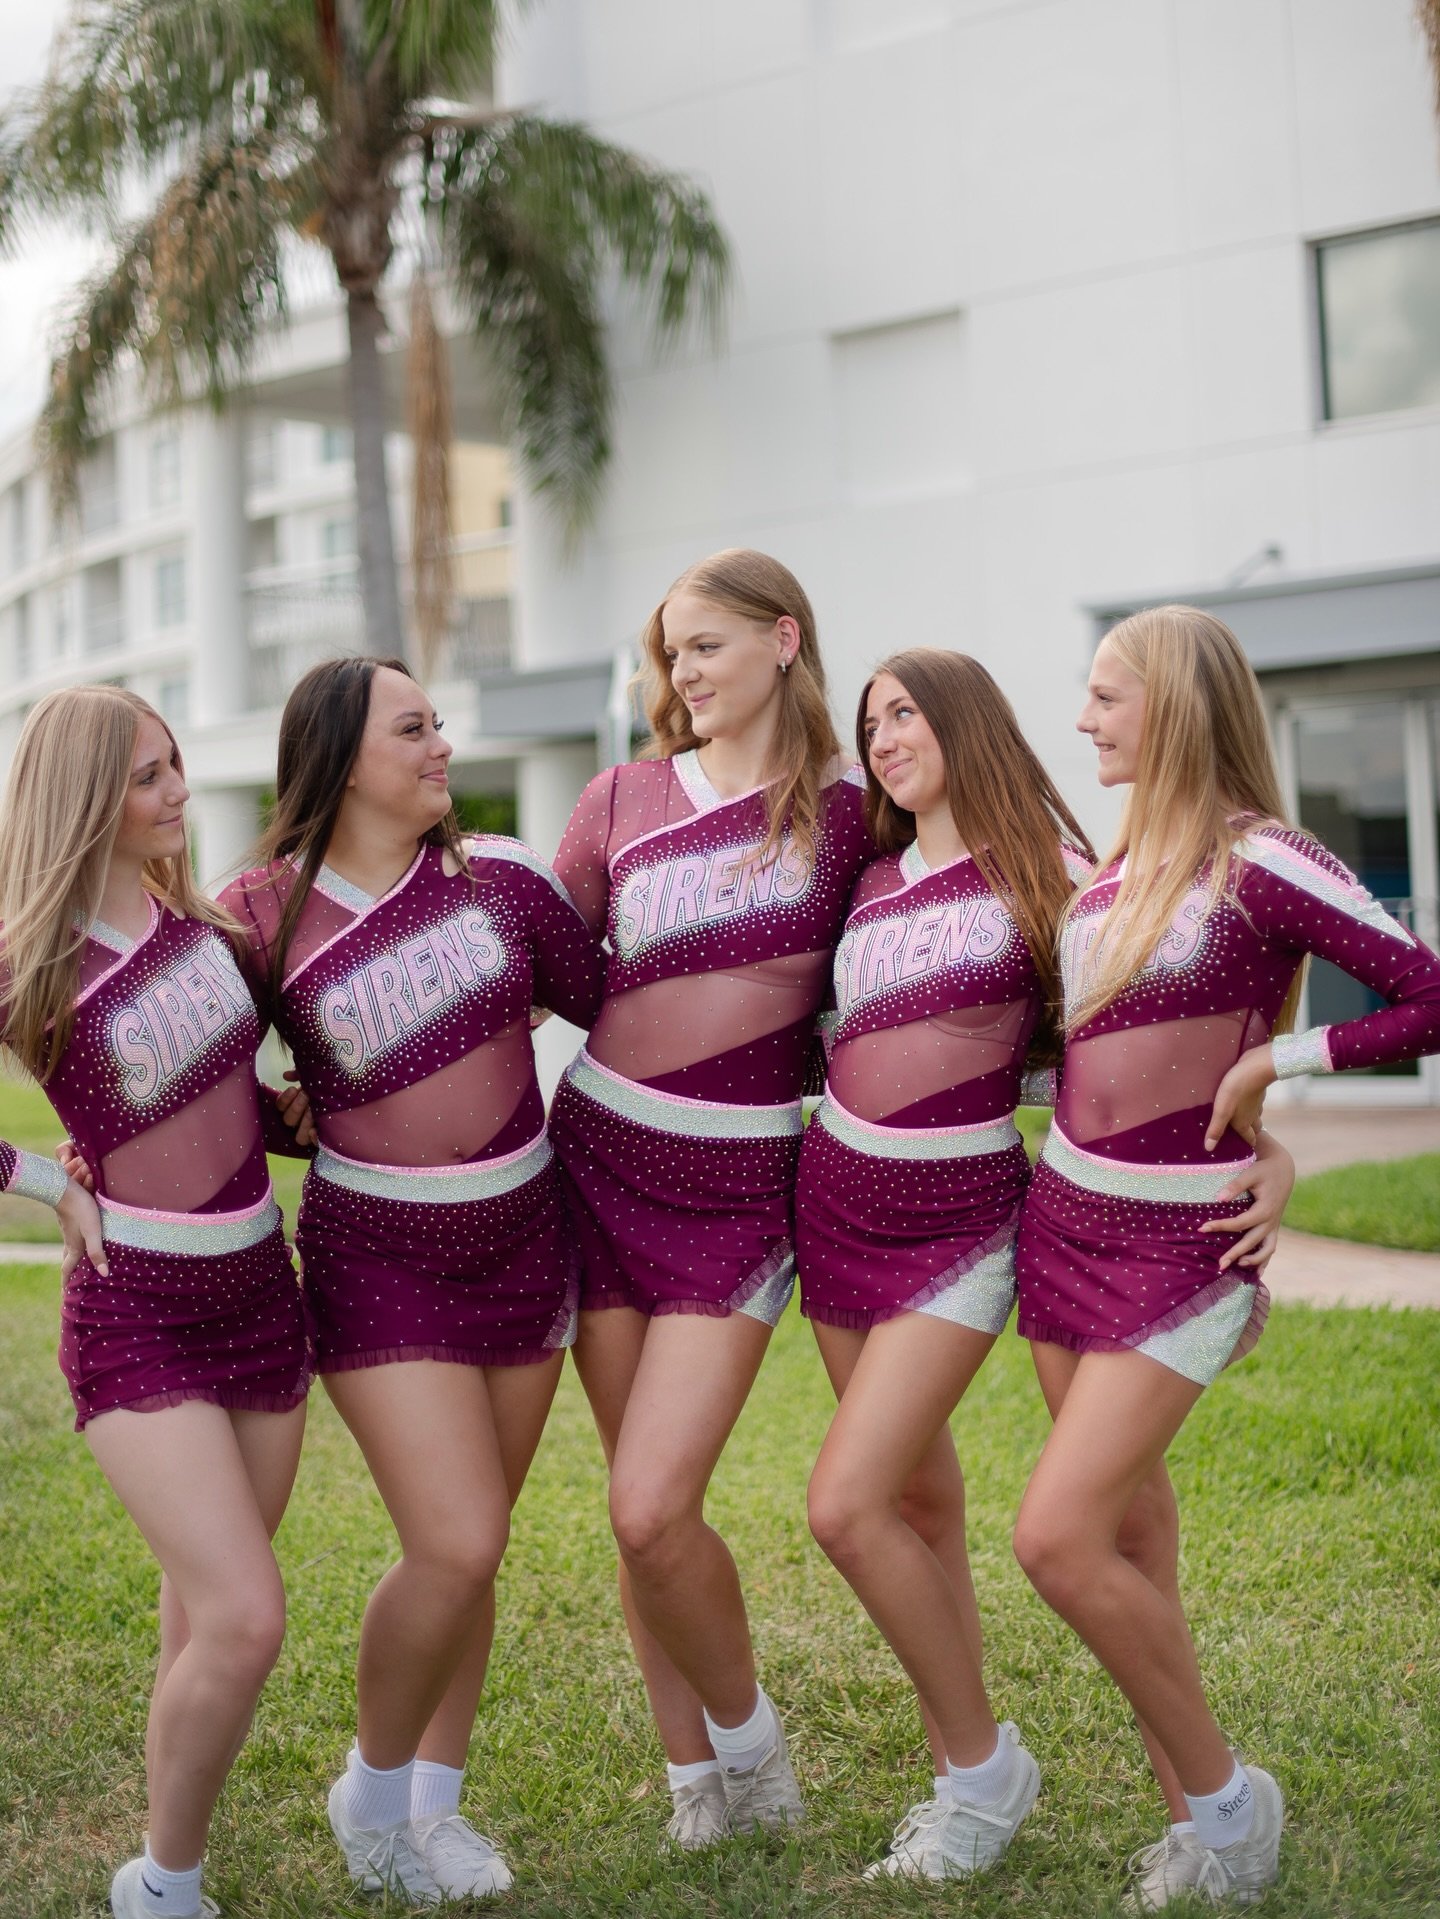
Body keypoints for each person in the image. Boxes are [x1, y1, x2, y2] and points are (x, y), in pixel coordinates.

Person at [795, 648, 1294, 1883]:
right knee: (922, 1504)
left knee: (848, 1504)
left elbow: (1157, 1050)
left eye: (907, 711)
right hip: (837, 1213)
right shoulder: (862, 881)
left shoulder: (1060, 877)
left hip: (967, 1224)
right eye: (871, 724)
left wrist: (1270, 1141)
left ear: (967, 720)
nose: (886, 738)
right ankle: (1050, 1798)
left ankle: (1006, 1772)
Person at [1011, 605, 1440, 1908]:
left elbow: (1422, 988)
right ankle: (1194, 1820)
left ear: (1175, 704)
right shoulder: (1107, 866)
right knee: (1130, 1536)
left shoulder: (1266, 856)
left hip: (1183, 1243)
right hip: (1063, 1222)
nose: (1083, 719)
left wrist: (1279, 1068)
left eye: (1104, 695)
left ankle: (1227, 1799)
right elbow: (1090, 1053)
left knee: (1055, 1534)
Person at [220, 656, 604, 1905]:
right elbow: (210, 1085)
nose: (443, 745)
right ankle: (373, 1788)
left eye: (441, 722)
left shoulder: (497, 878)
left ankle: (434, 1806)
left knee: (469, 1559)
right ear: (338, 760)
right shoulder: (258, 910)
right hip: (378, 1252)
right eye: (415, 728)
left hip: (523, 1237)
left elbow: (610, 1002)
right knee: (456, 1536)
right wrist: (306, 1120)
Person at [548, 549, 872, 1846]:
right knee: (640, 1508)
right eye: (670, 652)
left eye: (707, 645)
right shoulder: (622, 794)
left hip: (741, 1189)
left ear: (784, 637)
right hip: (598, 1163)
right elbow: (539, 962)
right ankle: (698, 1781)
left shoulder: (852, 814)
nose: (680, 672)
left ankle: (753, 1746)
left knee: (652, 1500)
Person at [0, 686, 312, 1919]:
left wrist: (312, 1121)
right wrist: (35, 1178)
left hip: (259, 1291)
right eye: (149, 775)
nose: (180, 790)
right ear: (86, 798)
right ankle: (161, 1883)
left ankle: (167, 1852)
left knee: (204, 1620)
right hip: (137, 1312)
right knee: (245, 1617)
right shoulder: (33, 955)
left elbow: (244, 1107)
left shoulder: (213, 934)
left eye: (177, 764)